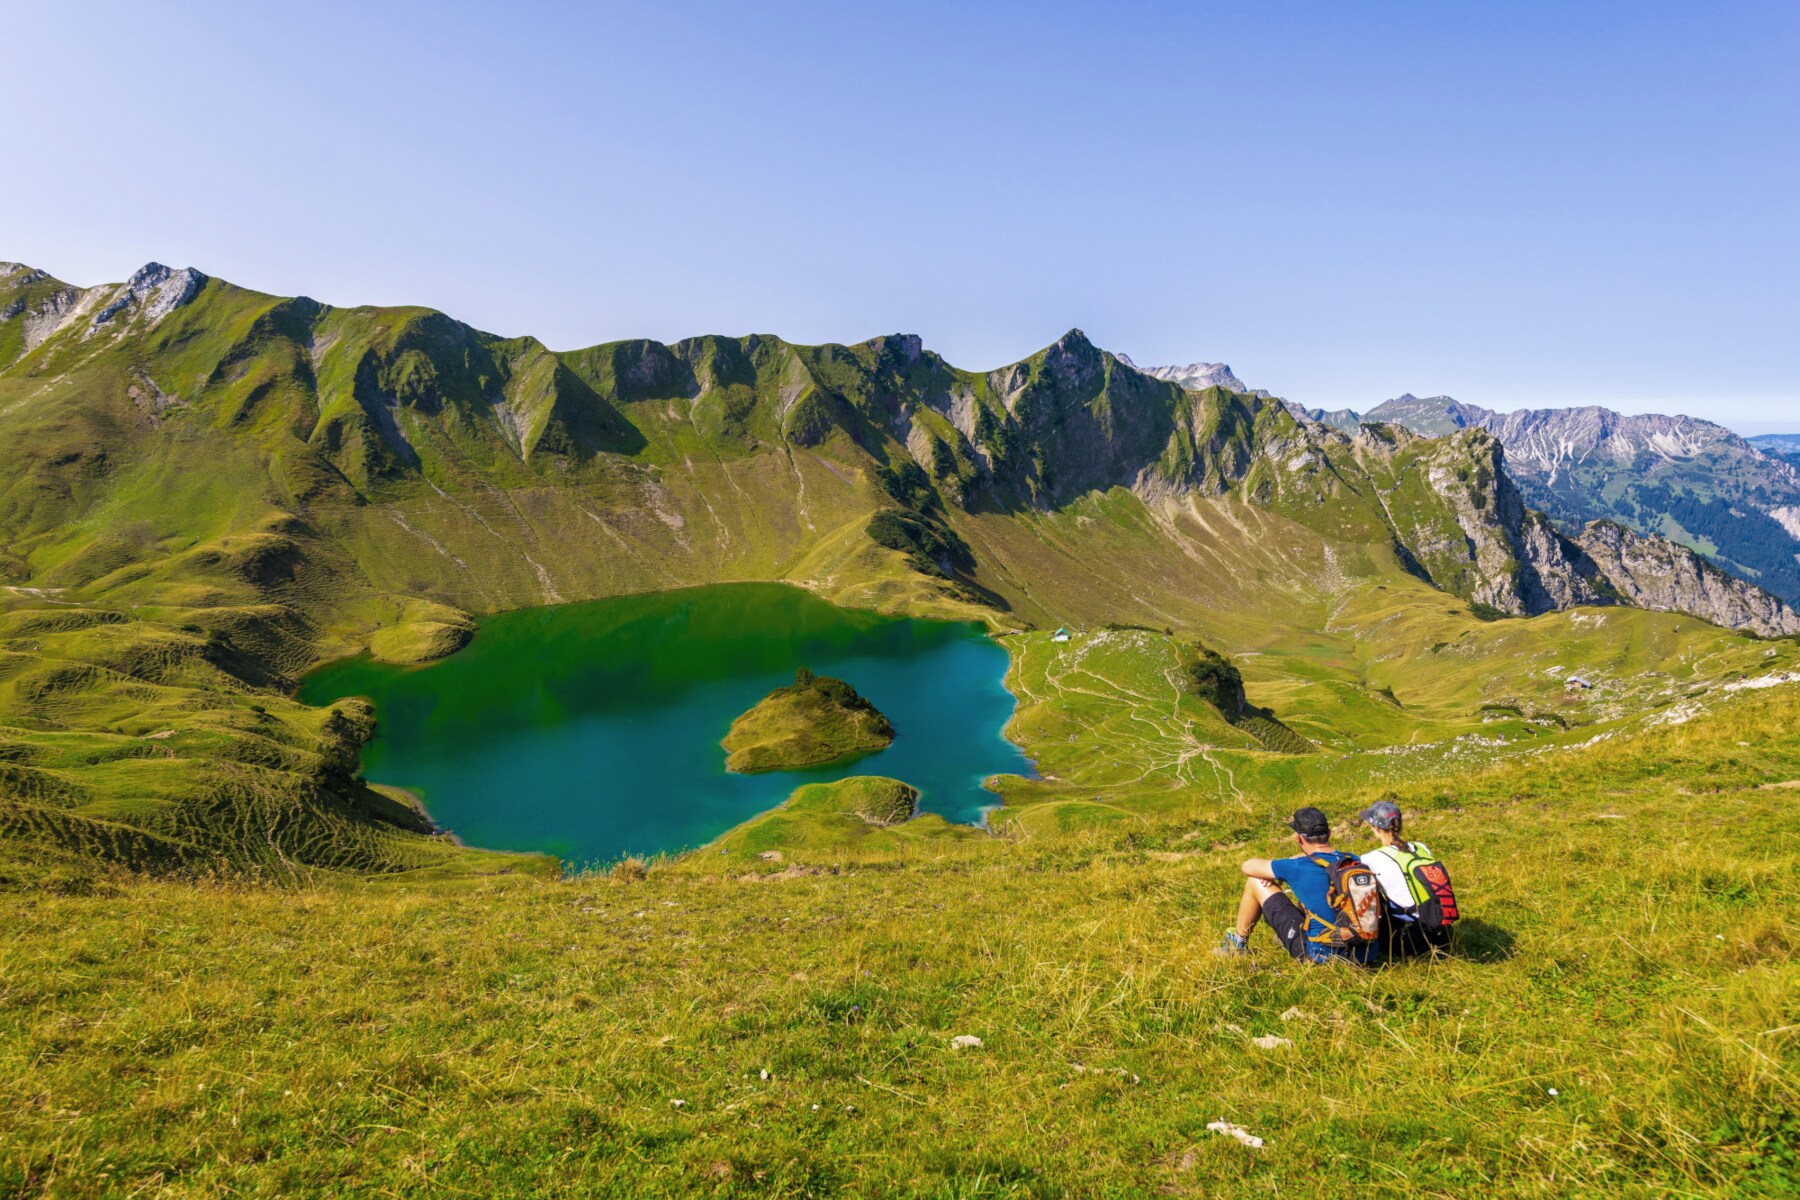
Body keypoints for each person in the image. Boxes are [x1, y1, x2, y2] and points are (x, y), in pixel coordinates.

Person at [1217, 806, 1375, 965]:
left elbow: (1247, 866)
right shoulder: (1353, 860)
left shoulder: (1296, 867)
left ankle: (1236, 945)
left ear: (1299, 838)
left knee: (1255, 881)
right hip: (1366, 952)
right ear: (1329, 834)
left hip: (1320, 955)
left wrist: (1282, 869)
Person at [1357, 799, 1450, 959]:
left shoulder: (1371, 859)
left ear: (1377, 828)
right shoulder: (1420, 847)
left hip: (1410, 941)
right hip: (1442, 934)